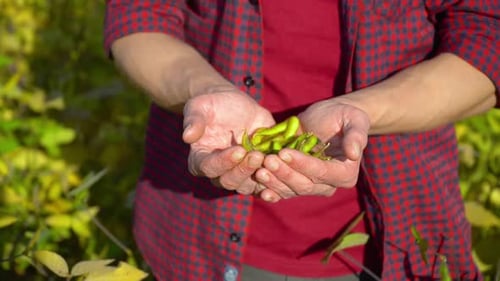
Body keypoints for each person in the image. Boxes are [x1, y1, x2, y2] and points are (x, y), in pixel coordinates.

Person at [104, 1, 499, 280]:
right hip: (196, 234)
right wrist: (204, 89)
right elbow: (138, 15)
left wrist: (364, 111)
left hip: (399, 241)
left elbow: (489, 40)